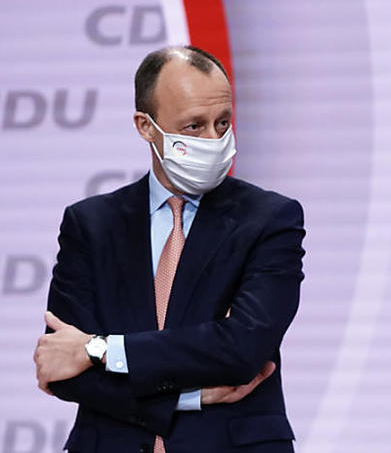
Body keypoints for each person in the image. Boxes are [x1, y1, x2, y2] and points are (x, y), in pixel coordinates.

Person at [33, 46, 305, 453]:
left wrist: (99, 349)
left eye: (223, 123)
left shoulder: (271, 220)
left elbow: (241, 350)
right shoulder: (91, 225)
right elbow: (64, 370)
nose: (215, 140)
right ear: (146, 126)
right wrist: (191, 397)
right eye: (194, 127)